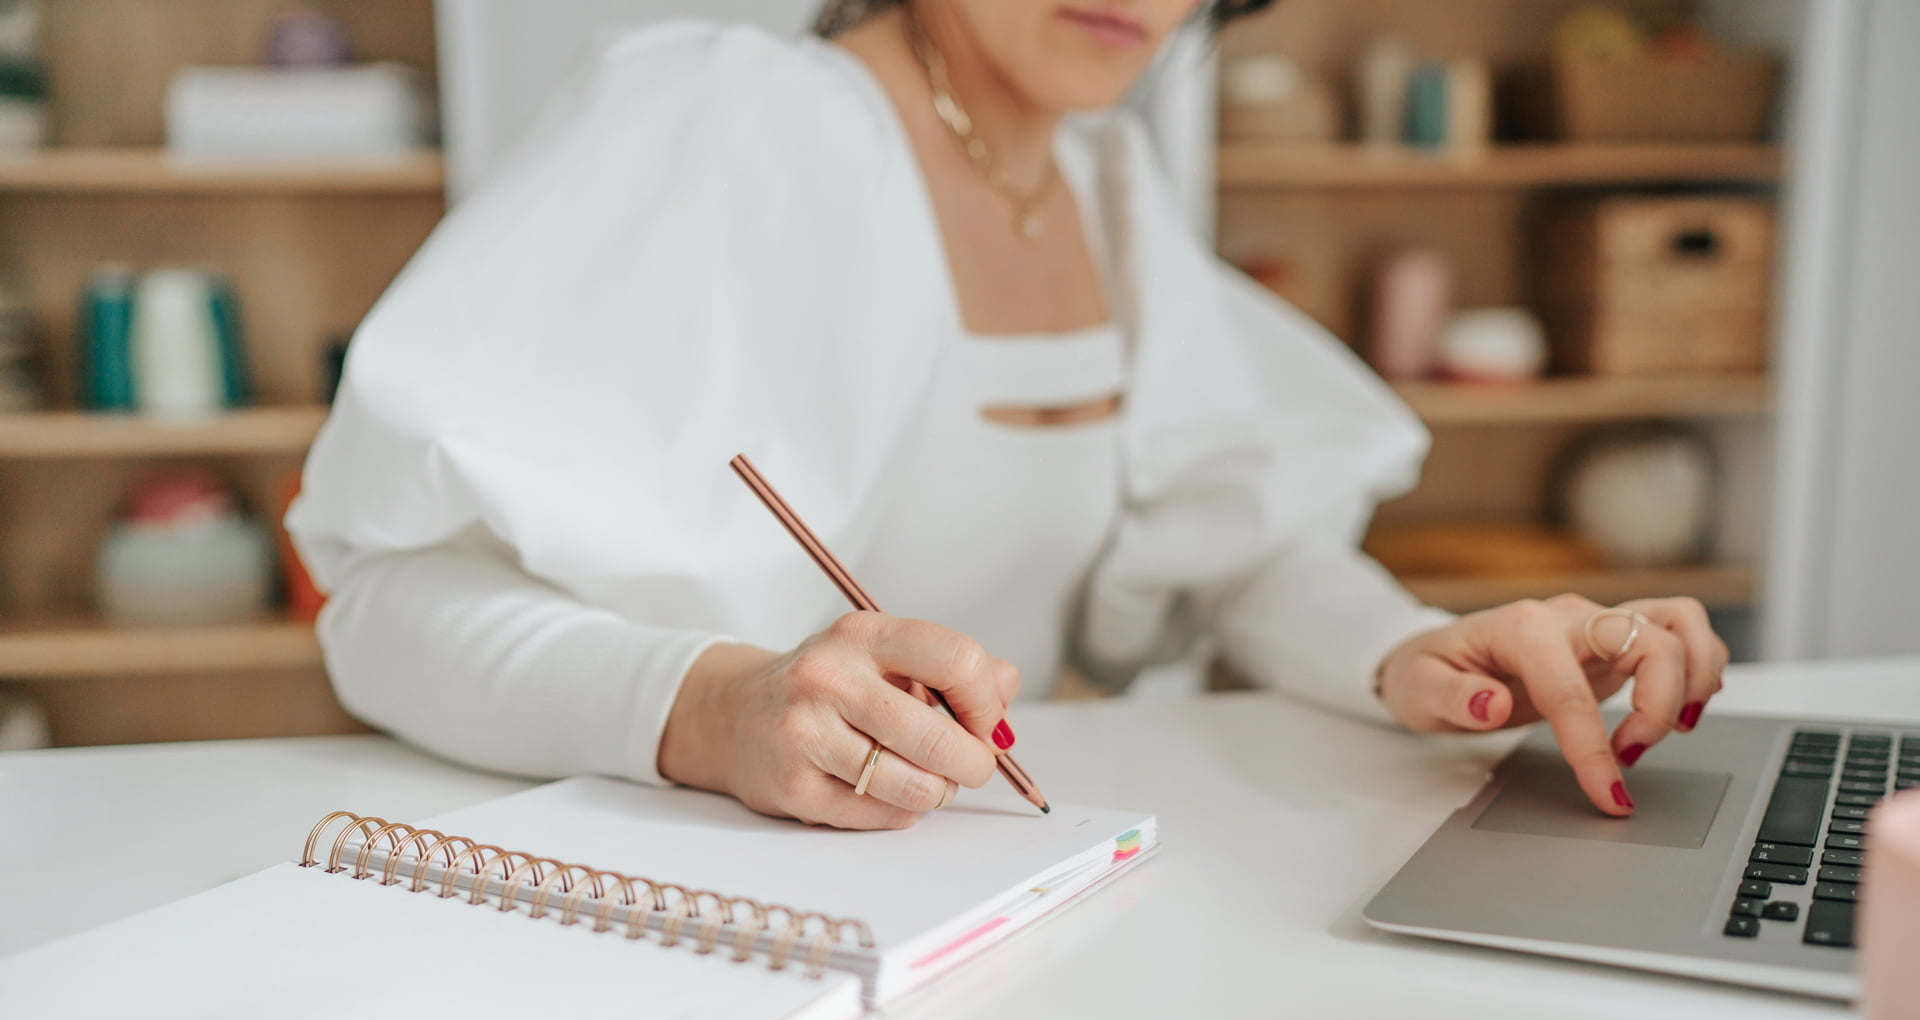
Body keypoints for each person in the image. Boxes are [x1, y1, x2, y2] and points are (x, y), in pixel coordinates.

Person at [287, 0, 1729, 830]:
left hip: (1006, 905)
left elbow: (1232, 550)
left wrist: (1407, 649)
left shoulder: (1102, 178)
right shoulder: (732, 120)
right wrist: (716, 710)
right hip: (729, 933)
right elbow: (382, 604)